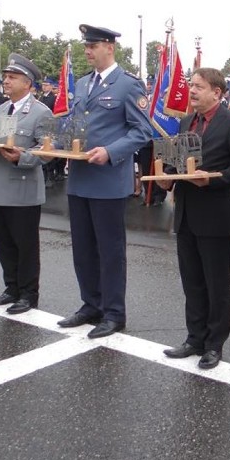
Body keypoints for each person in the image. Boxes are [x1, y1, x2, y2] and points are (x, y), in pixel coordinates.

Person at [57, 23, 153, 339]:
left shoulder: (127, 85)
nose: (88, 51)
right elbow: (74, 125)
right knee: (83, 248)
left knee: (110, 250)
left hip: (108, 180)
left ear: (109, 47)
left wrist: (110, 152)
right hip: (80, 177)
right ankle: (91, 305)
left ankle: (114, 313)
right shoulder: (82, 85)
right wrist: (52, 144)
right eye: (86, 46)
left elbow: (141, 132)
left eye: (93, 46)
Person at [159, 68, 230, 369]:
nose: (192, 90)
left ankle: (214, 344)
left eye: (198, 86)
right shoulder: (187, 121)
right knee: (192, 281)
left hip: (214, 214)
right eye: (191, 85)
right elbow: (179, 161)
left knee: (216, 284)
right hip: (186, 212)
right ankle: (194, 338)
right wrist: (167, 178)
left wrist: (214, 179)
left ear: (217, 92)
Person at [0, 54, 52, 315]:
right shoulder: (0, 110)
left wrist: (22, 157)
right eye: (5, 77)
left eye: (12, 77)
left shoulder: (40, 112)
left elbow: (47, 151)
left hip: (22, 187)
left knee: (25, 245)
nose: (6, 81)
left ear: (27, 84)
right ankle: (11, 287)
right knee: (4, 242)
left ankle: (28, 293)